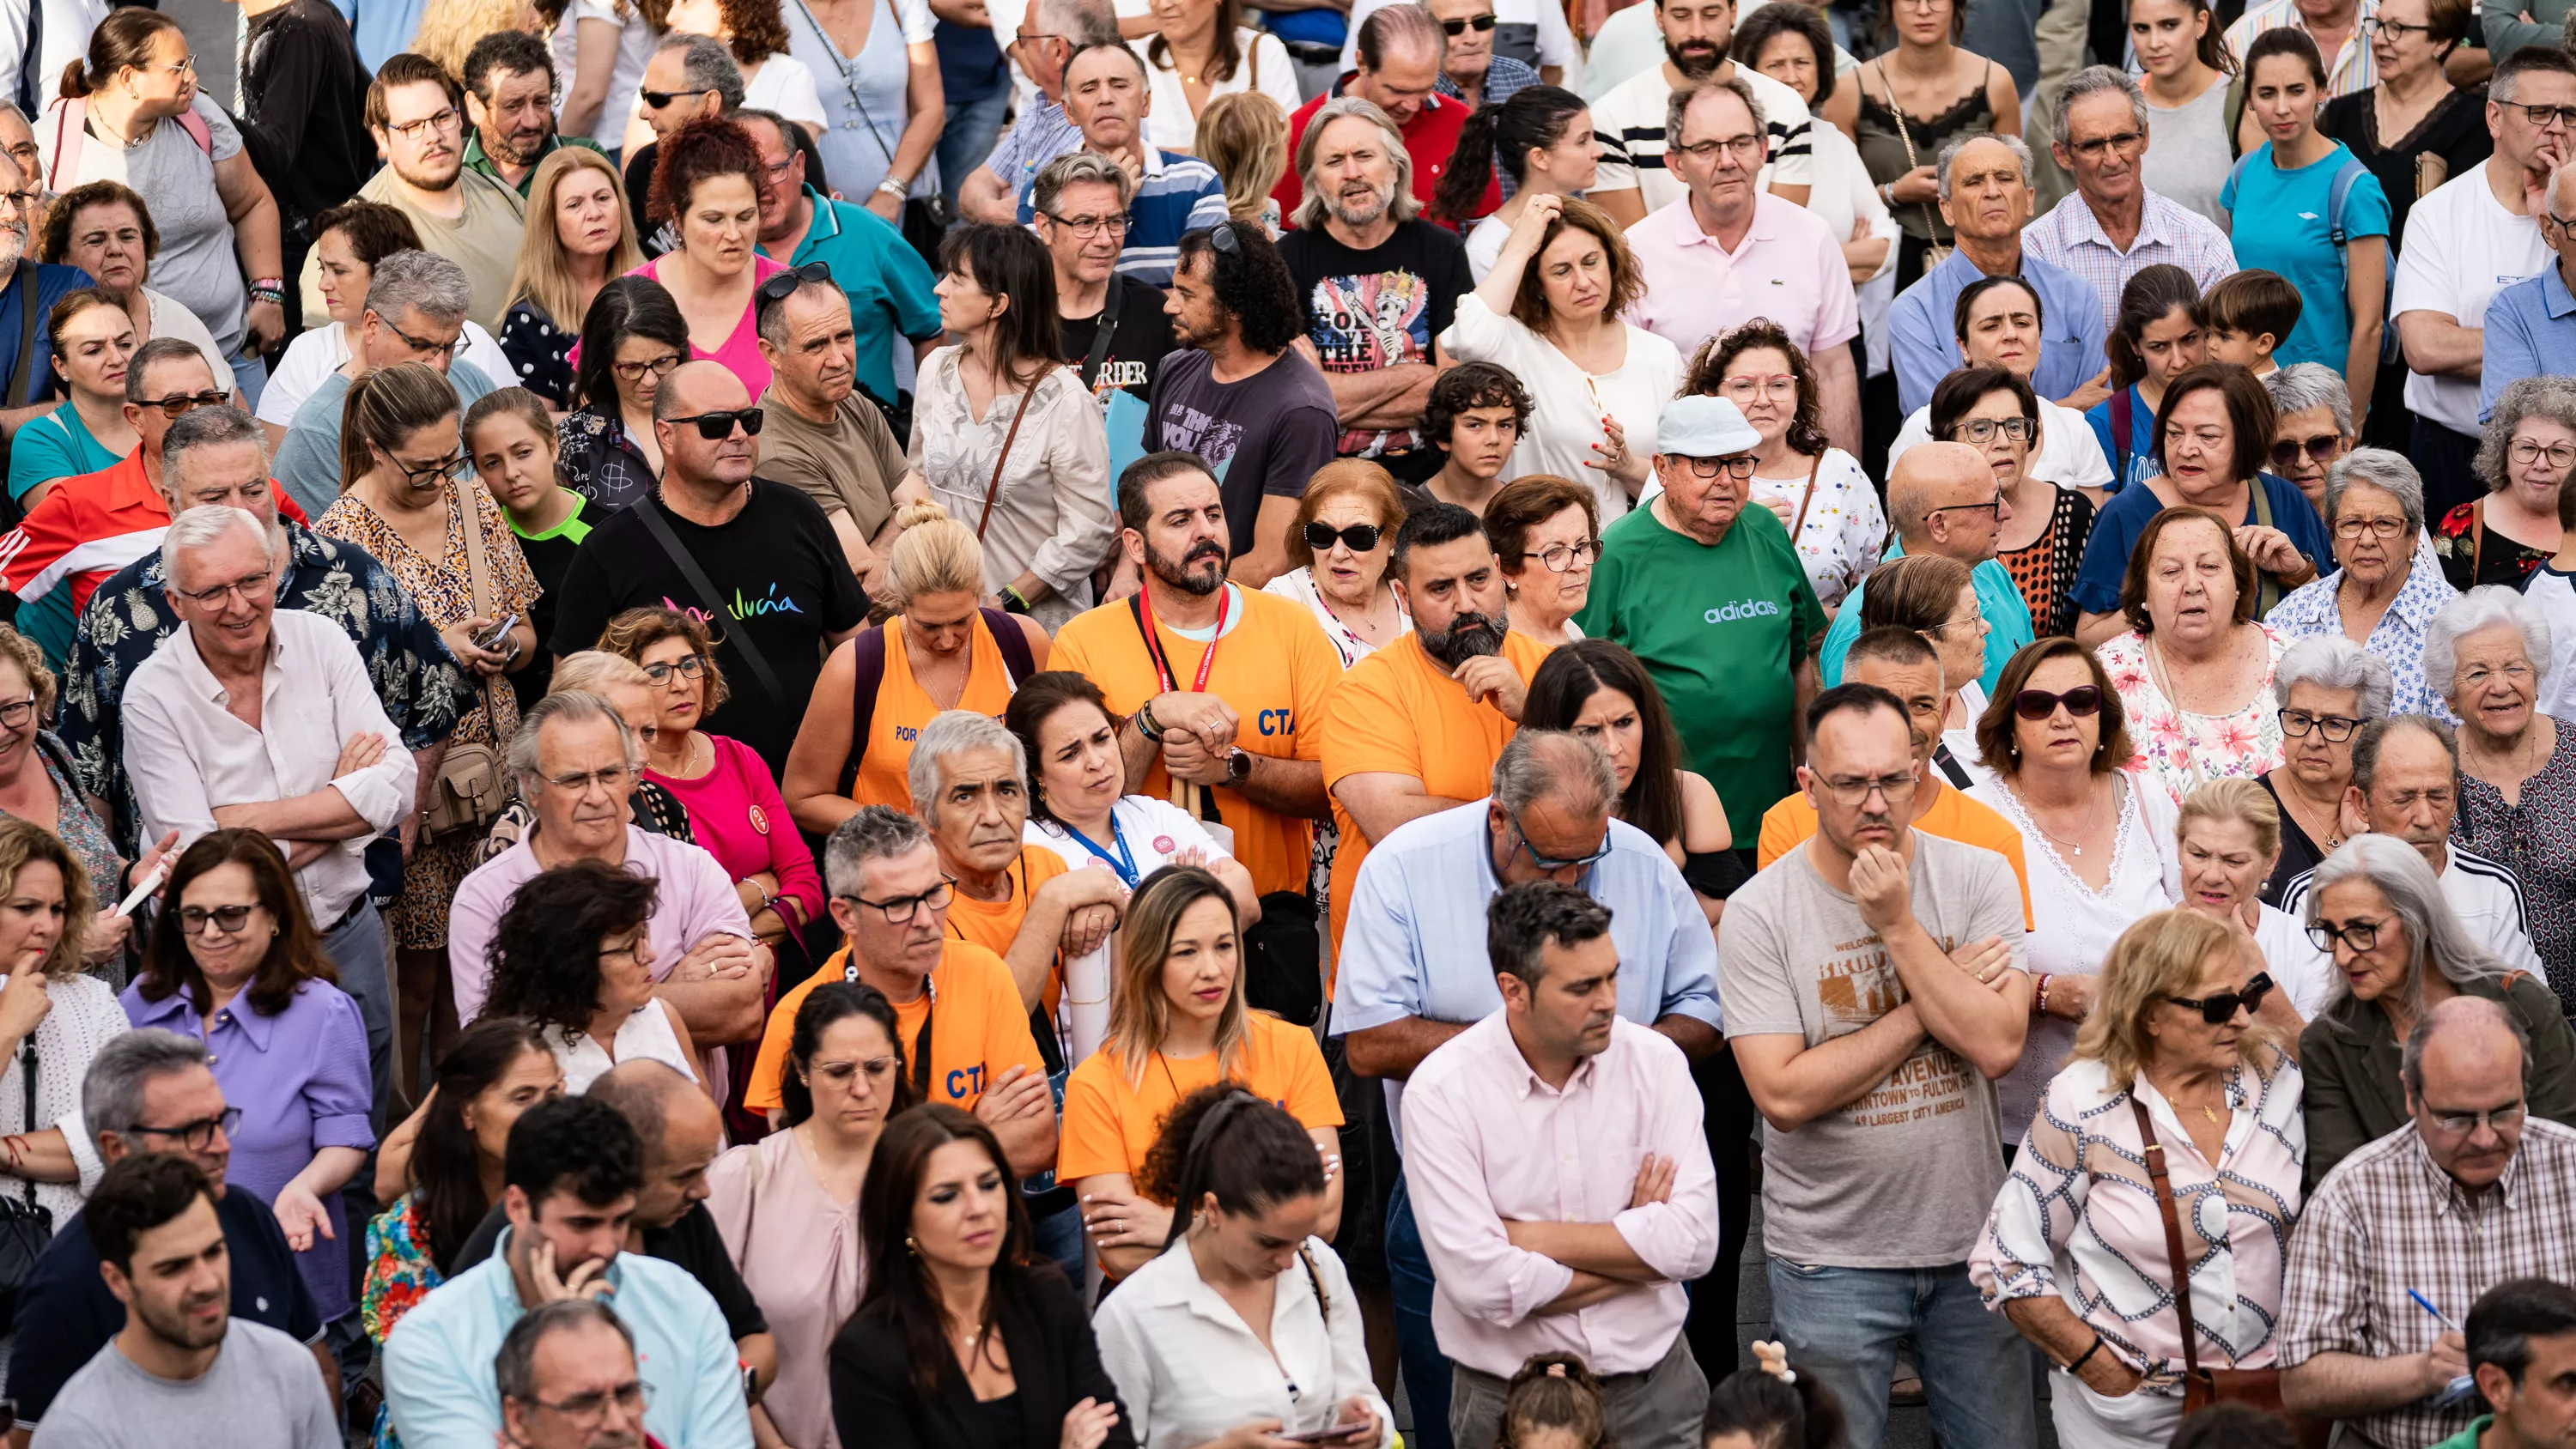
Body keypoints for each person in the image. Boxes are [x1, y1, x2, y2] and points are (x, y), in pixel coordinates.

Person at [1332, 727, 1725, 1430]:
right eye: (1549, 860)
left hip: (1647, 1377)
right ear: (1498, 816)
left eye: (1587, 859)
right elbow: (1368, 1043)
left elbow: (1693, 1244)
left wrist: (1617, 1067)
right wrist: (1636, 1248)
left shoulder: (1638, 868)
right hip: (1456, 1224)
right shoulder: (1403, 869)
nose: (1571, 880)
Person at [1720, 682, 2034, 1447]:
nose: (1876, 802)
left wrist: (1897, 929)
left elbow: (1996, 1047)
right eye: (1851, 783)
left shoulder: (1978, 874)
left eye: (1895, 779)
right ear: (1808, 786)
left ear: (1922, 771)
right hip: (1831, 1261)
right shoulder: (1760, 912)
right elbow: (1784, 1095)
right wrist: (1938, 990)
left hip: (1973, 1245)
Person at [119, 506, 413, 1131]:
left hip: (345, 935)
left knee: (361, 1135)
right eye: (212, 591)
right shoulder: (152, 696)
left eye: (252, 581)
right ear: (175, 602)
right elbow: (206, 876)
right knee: (250, 1140)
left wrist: (247, 822)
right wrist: (342, 808)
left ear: (275, 571)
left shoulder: (323, 641)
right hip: (232, 962)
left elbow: (397, 785)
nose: (239, 605)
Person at [1396, 882, 1716, 1449]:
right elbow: (1483, 1286)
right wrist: (1639, 1254)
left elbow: (1693, 1246)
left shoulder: (1658, 1064)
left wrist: (1530, 1238)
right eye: (1582, 987)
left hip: (1654, 1397)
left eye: (1613, 976)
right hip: (1511, 1410)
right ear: (1513, 990)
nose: (1610, 1001)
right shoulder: (1443, 1092)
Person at [1969, 907, 2303, 1448]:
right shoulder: (2083, 1100)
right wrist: (2103, 1371)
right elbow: (2006, 1259)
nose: (2241, 1019)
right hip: (2131, 1419)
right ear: (2150, 1014)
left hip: (2259, 1403)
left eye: (2247, 997)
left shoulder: (2274, 1079)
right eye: (2218, 1005)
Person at [321, 362, 543, 1070]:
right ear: (377, 449)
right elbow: (335, 685)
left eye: (453, 460)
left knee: (480, 976)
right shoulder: (340, 541)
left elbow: (530, 629)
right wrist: (436, 651)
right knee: (414, 985)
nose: (442, 478)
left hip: (500, 784)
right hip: (417, 794)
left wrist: (502, 647)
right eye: (423, 468)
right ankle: (409, 1121)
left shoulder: (473, 506)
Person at [1052, 452, 1342, 934]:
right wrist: (1151, 719)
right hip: (1134, 925)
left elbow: (1334, 789)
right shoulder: (1082, 642)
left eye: (1213, 514)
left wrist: (1232, 769)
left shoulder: (1292, 627)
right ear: (1136, 545)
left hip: (1268, 921)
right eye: (1180, 520)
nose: (1205, 532)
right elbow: (1071, 800)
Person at [6, 1030, 333, 1440]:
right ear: (117, 1149)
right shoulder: (61, 1285)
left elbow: (317, 1366)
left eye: (221, 1121)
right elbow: (33, 1440)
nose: (221, 1146)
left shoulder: (247, 1214)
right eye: (194, 1130)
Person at [2279, 997, 2576, 1446]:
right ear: (2411, 1095)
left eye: (2504, 1111)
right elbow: (2301, 1382)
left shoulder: (2569, 1167)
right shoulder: (2353, 1195)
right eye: (2456, 1117)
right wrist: (2421, 1372)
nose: (2483, 1138)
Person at [117, 828, 373, 1348]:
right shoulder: (140, 1003)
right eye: (193, 916)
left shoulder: (323, 1012)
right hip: (163, 1276)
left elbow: (345, 1136)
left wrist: (304, 1188)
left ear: (275, 916)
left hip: (281, 1272)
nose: (211, 932)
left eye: (231, 914)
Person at [380, 1094, 751, 1449]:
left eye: (621, 1220)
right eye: (581, 1224)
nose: (607, 1246)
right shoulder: (430, 1343)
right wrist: (560, 1343)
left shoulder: (681, 1300)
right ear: (518, 1206)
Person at [550, 359, 868, 773]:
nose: (738, 435)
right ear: (666, 434)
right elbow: (569, 697)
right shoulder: (609, 552)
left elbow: (858, 654)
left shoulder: (798, 515)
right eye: (715, 424)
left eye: (749, 420)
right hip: (684, 806)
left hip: (808, 787)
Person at [449, 692, 766, 1059]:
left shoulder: (690, 868)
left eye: (610, 774)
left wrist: (564, 1002)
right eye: (573, 780)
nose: (597, 796)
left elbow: (742, 1013)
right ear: (531, 787)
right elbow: (497, 1052)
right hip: (558, 1115)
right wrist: (656, 990)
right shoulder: (485, 896)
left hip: (684, 1113)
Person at [1573, 394, 1826, 855]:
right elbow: (1580, 692)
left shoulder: (1766, 531)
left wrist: (1808, 767)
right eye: (1707, 465)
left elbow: (1798, 660)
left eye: (1739, 463)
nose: (1726, 481)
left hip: (1774, 815)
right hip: (1668, 827)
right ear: (1663, 468)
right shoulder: (1618, 554)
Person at [739, 809, 1053, 1176]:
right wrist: (975, 1132)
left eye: (935, 892)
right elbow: (813, 1176)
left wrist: (890, 1156)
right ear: (845, 916)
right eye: (898, 905)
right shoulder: (798, 1018)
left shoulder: (984, 972)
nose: (926, 920)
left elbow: (1038, 1142)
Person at [1062, 866, 1340, 1275]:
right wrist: (1275, 1222)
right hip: (1160, 1316)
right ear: (1147, 960)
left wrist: (1172, 1224)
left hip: (1279, 1304)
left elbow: (1325, 1220)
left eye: (1224, 946)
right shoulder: (1096, 1083)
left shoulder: (1292, 1047)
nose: (1212, 969)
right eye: (1187, 951)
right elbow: (1122, 1255)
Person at [1965, 635, 2182, 1143]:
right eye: (2039, 705)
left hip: (2149, 1102)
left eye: (2081, 702)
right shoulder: (1977, 817)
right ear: (2010, 725)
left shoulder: (2146, 800)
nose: (2062, 719)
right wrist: (2042, 993)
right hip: (2019, 1124)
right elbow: (1952, 964)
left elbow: (2195, 925)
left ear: (2102, 716)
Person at [1092, 1081, 1385, 1449]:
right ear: (1213, 1210)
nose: (1288, 1261)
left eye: (1300, 1239)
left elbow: (1358, 1389)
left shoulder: (1317, 1265)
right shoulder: (1131, 1315)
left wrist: (1365, 1422)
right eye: (1269, 1243)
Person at [826, 1103, 1129, 1449]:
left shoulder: (1045, 1296)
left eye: (988, 1185)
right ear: (902, 1218)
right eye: (947, 1196)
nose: (978, 1208)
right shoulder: (867, 1354)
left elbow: (1113, 1435)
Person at [1321, 500, 1553, 948]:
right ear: (1404, 598)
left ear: (1501, 571)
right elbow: (1396, 826)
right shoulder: (1365, 691)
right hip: (1404, 953)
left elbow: (1604, 797)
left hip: (1534, 943)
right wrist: (1538, 820)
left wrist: (1534, 714)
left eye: (1478, 579)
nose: (1466, 603)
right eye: (1441, 589)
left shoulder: (1548, 670)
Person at [1007, 672, 1259, 1067]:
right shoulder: (1026, 847)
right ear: (1036, 772)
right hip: (1090, 1061)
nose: (1097, 762)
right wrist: (1192, 894)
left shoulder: (1154, 813)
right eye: (1070, 754)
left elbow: (1244, 899)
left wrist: (1127, 920)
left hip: (1190, 1044)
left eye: (1102, 738)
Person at [2294, 833, 2573, 1188]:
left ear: (2420, 921)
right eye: (2331, 931)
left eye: (2363, 930)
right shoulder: (2330, 1043)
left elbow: (2564, 1153)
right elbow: (2338, 1187)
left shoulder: (2526, 1009)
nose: (2343, 954)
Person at [34, 9, 285, 399]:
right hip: (125, 382)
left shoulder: (199, 117)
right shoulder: (53, 143)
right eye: (178, 68)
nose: (193, 78)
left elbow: (252, 202)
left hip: (230, 355)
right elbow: (38, 261)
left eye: (192, 64)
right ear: (129, 78)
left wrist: (268, 294)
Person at [706, 985, 903, 1449]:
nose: (861, 1088)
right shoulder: (746, 1180)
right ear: (801, 1069)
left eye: (877, 1068)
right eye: (839, 1072)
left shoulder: (930, 1174)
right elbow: (707, 1343)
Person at [36, 1153, 340, 1448]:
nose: (206, 1282)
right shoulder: (76, 1431)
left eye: (214, 1252)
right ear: (117, 1280)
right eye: (173, 1268)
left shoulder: (290, 1369)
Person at [1625, 77, 1860, 447]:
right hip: (1687, 473)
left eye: (1740, 143)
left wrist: (1842, 481)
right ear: (1676, 164)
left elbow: (1833, 370)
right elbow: (1631, 385)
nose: (1727, 161)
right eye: (1705, 148)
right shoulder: (1637, 250)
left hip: (1794, 469)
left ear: (1763, 149)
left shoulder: (1812, 237)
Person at [782, 502, 1049, 826]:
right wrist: (915, 832)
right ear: (900, 602)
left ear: (980, 593)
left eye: (963, 620)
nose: (949, 640)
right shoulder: (855, 666)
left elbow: (1059, 758)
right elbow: (803, 797)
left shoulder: (1022, 642)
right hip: (900, 867)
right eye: (929, 626)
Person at [908, 223, 1115, 631]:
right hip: (946, 619)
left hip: (1032, 625)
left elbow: (1089, 531)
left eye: (956, 278)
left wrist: (1007, 601)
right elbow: (916, 478)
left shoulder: (1067, 400)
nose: (939, 289)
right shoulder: (936, 369)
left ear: (997, 304)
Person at [2387, 48, 2569, 512]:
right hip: (2454, 453)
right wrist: (2546, 347)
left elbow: (2450, 345)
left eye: (2570, 113)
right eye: (2539, 112)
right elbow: (2425, 348)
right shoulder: (2439, 213)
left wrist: (2558, 222)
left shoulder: (2568, 220)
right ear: (2494, 116)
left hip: (2565, 460)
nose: (2557, 127)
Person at [1438, 195, 1678, 523]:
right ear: (1537, 284)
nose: (1583, 282)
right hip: (1535, 556)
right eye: (1562, 271)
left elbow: (1687, 475)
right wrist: (1520, 245)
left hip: (1636, 559)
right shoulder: (1514, 345)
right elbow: (1467, 338)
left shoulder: (1659, 354)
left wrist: (1630, 468)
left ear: (1611, 261)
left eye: (1591, 262)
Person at [597, 607, 823, 952]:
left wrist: (742, 945)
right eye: (658, 672)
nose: (681, 684)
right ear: (625, 689)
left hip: (757, 982)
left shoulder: (741, 759)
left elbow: (805, 886)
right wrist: (760, 887)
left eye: (690, 665)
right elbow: (670, 932)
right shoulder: (621, 787)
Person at [1279, 96, 1475, 486]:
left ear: (1395, 164)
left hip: (1428, 483)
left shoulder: (1441, 250)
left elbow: (1454, 394)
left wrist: (1332, 393)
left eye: (1365, 155)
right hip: (1321, 483)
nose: (1352, 172)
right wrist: (1417, 374)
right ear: (1315, 180)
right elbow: (1295, 403)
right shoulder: (1283, 262)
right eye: (1335, 161)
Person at [0, 337, 226, 670]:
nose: (196, 416)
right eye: (175, 404)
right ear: (135, 417)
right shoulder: (80, 503)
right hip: (126, 713)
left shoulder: (256, 493)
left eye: (208, 400)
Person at [2072, 363, 2330, 643]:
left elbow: (2337, 623)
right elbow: (2087, 638)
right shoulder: (2126, 513)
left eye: (2207, 436)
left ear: (2248, 439)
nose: (2185, 449)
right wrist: (2158, 600)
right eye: (2174, 433)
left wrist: (2299, 573)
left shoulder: (2284, 500)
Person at [360, 1017, 562, 1365]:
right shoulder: (408, 1231)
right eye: (523, 1097)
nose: (544, 1115)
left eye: (554, 1095)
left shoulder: (584, 1207)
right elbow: (419, 1366)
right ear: (468, 1110)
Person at [2281, 713, 2547, 969]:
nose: (2424, 818)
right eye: (2403, 799)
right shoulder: (2312, 897)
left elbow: (2524, 1010)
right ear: (2361, 803)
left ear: (2456, 797)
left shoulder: (2493, 889)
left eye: (2437, 796)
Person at [1150, 222, 1338, 579]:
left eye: (1187, 295)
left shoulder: (1301, 409)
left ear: (1234, 306)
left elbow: (1272, 562)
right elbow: (1145, 498)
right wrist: (1130, 574)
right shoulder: (1174, 367)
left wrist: (1172, 595)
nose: (1169, 306)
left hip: (1237, 611)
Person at [2221, 29, 2391, 416]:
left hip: (2319, 404)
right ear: (2249, 101)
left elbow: (2369, 327)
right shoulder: (2244, 173)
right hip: (2246, 397)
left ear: (2321, 91)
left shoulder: (2353, 188)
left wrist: (2353, 421)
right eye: (2267, 93)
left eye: (2296, 90)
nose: (2282, 108)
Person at [300, 53, 530, 334]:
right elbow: (330, 359)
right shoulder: (351, 237)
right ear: (382, 139)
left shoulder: (499, 192)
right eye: (411, 127)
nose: (433, 136)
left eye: (441, 117)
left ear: (458, 117)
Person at [258, 203, 516, 452]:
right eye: (322, 268)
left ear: (388, 271)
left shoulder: (475, 343)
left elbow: (517, 432)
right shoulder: (306, 352)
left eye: (338, 270)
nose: (323, 284)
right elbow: (276, 465)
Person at [737, 112, 940, 418]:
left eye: (774, 170)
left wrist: (929, 422)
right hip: (755, 444)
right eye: (746, 174)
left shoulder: (868, 233)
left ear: (800, 166)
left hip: (869, 441)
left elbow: (931, 330)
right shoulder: (723, 250)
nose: (762, 186)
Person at [274, 249, 502, 520]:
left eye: (450, 346)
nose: (440, 365)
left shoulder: (469, 376)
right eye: (421, 345)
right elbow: (317, 551)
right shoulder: (316, 432)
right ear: (371, 326)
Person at [1888, 136, 2107, 417]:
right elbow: (1942, 423)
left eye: (2005, 178)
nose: (1992, 191)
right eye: (1974, 181)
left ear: (2029, 200)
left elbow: (2096, 410)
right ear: (1947, 209)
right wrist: (2065, 409)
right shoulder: (1914, 311)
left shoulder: (2076, 295)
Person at [2430, 586, 2576, 1000]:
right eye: (2477, 673)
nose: (2500, 686)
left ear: (2537, 675)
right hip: (2474, 1017)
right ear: (2449, 695)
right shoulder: (2432, 769)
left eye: (2515, 668)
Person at [2093, 506, 2294, 806]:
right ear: (2145, 593)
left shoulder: (2292, 662)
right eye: (2171, 571)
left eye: (2210, 567)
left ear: (2238, 582)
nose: (2191, 586)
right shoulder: (2105, 672)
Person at [2024, 68, 2239, 344]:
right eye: (2092, 145)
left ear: (2145, 138)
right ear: (2063, 155)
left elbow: (2229, 353)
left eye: (2123, 139)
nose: (2112, 159)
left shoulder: (2202, 241)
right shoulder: (2036, 252)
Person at [1686, 318, 1884, 618]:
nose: (1763, 400)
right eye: (1743, 386)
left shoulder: (1840, 472)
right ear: (1711, 395)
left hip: (1824, 656)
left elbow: (1877, 589)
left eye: (1778, 385)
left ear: (1797, 393)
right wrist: (1742, 530)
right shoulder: (1682, 471)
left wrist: (1828, 621)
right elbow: (1667, 580)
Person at [1819, 439, 2035, 698]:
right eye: (1993, 503)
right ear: (1939, 525)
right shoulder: (1867, 626)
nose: (2006, 512)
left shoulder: (1990, 571)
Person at [1839, 0, 2023, 296]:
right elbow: (1835, 202)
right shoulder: (1851, 89)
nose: (1923, 10)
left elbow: (2014, 188)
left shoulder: (1995, 83)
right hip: (1885, 269)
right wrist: (1894, 193)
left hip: (1979, 258)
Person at [477, 861, 705, 1093]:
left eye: (644, 935)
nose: (651, 955)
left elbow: (710, 1122)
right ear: (573, 965)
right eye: (629, 948)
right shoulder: (515, 1055)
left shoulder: (662, 1015)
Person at [2265, 452, 2458, 727]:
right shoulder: (2290, 616)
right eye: (2352, 524)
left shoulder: (2451, 622)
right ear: (2332, 536)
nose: (2367, 540)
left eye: (2385, 524)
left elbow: (2455, 740)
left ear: (2413, 538)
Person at [1582, 0, 1816, 226]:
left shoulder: (1785, 107)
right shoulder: (1613, 116)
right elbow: (1630, 248)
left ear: (1733, 12)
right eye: (1681, 16)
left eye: (1711, 15)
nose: (1696, 32)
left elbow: (1783, 233)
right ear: (1659, 18)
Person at [0, 632, 156, 970]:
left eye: (11, 709)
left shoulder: (48, 752)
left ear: (37, 698)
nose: (1, 731)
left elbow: (80, 846)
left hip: (101, 1011)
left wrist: (129, 872)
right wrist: (67, 949)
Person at [1014, 43, 1227, 288]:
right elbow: (1047, 295)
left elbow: (1204, 296)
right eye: (1089, 88)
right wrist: (1115, 204)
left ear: (1146, 102)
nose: (1105, 98)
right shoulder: (1039, 192)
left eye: (1119, 85)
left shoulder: (1198, 180)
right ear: (1069, 111)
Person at [1884, 276, 2118, 498]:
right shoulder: (1924, 427)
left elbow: (2091, 534)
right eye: (1991, 326)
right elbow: (1907, 534)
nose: (2010, 334)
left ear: (2039, 338)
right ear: (1963, 346)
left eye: (2022, 323)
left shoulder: (2074, 428)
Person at [0, 815, 123, 1221]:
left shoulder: (94, 1002)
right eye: (26, 908)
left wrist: (4, 1151)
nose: (48, 926)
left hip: (81, 1260)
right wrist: (8, 1026)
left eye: (58, 909)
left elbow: (126, 1140)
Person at [1274, 8, 1492, 223]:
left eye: (1426, 89)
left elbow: (1482, 231)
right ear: (1362, 64)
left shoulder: (1458, 121)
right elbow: (1282, 238)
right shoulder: (1299, 132)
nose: (1413, 106)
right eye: (1398, 91)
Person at [29, 202, 228, 438]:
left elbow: (232, 410)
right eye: (96, 240)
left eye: (127, 236)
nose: (115, 249)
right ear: (63, 259)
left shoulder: (182, 320)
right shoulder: (47, 438)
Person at [232, 0, 374, 319]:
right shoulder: (311, 16)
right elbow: (369, 107)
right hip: (301, 236)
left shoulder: (302, 27)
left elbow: (275, 150)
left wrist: (203, 109)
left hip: (300, 247)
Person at [1935, 365, 2098, 640]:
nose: (2003, 442)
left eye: (2014, 426)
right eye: (1981, 429)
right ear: (1949, 438)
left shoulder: (2074, 516)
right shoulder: (1930, 518)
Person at [633, 117, 792, 397]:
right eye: (714, 219)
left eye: (745, 216)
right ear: (677, 219)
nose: (733, 234)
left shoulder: (790, 293)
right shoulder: (629, 300)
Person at [2167, 777, 2336, 1016]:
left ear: (2271, 861)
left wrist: (2257, 977)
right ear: (2179, 849)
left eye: (2234, 861)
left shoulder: (2308, 945)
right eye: (2198, 855)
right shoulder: (2142, 943)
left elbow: (2317, 1053)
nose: (2213, 875)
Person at [463, 390, 588, 711]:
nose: (511, 473)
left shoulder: (604, 532)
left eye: (523, 452)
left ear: (553, 446)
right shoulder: (476, 539)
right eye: (492, 462)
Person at [2243, 635, 2392, 901]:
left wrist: (2364, 841)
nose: (2313, 741)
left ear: (2367, 731)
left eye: (2334, 724)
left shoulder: (2386, 809)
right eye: (2300, 720)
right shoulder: (2244, 810)